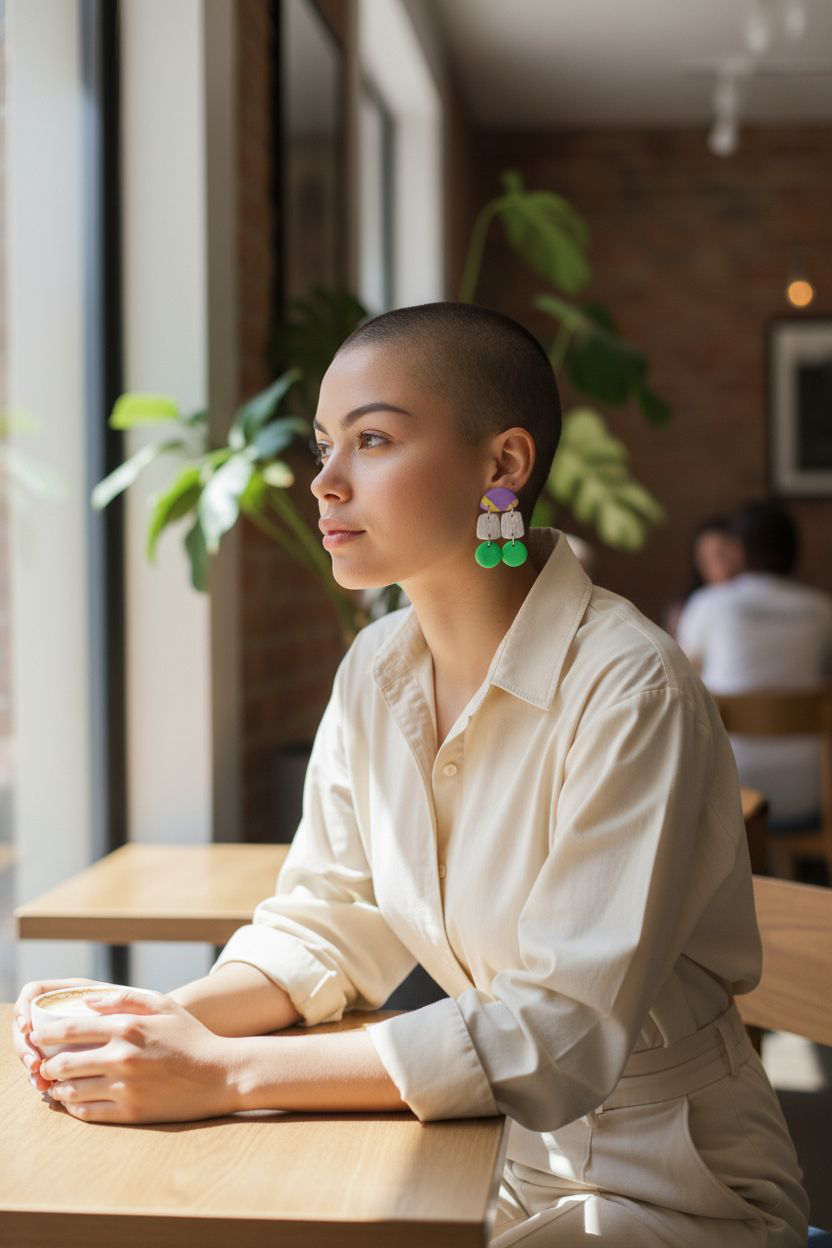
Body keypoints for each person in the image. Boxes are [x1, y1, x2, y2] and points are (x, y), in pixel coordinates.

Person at [13, 305, 808, 1246]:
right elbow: (332, 920)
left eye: (374, 439)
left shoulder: (631, 687)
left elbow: (557, 1032)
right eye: (323, 445)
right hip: (481, 1158)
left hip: (665, 1188)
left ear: (502, 466)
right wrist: (156, 1023)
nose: (326, 481)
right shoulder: (377, 668)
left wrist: (224, 1072)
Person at [677, 500, 832, 828]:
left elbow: (682, 683)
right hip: (814, 789)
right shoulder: (822, 611)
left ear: (736, 551)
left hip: (733, 792)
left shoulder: (708, 604)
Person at [663, 516, 744, 640]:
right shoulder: (687, 609)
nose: (718, 565)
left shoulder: (760, 597)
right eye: (707, 560)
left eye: (722, 554)